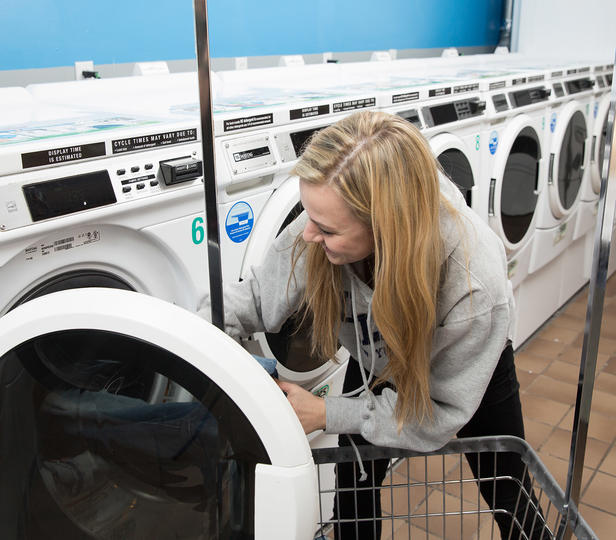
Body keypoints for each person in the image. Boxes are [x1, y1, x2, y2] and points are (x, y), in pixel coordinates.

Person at [199, 110, 545, 539]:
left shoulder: (473, 284)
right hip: (375, 358)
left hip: (467, 368)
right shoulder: (324, 219)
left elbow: (436, 417)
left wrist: (327, 412)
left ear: (385, 226)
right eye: (307, 215)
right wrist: (185, 338)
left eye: (325, 228)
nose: (307, 234)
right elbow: (253, 299)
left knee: (508, 489)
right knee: (354, 486)